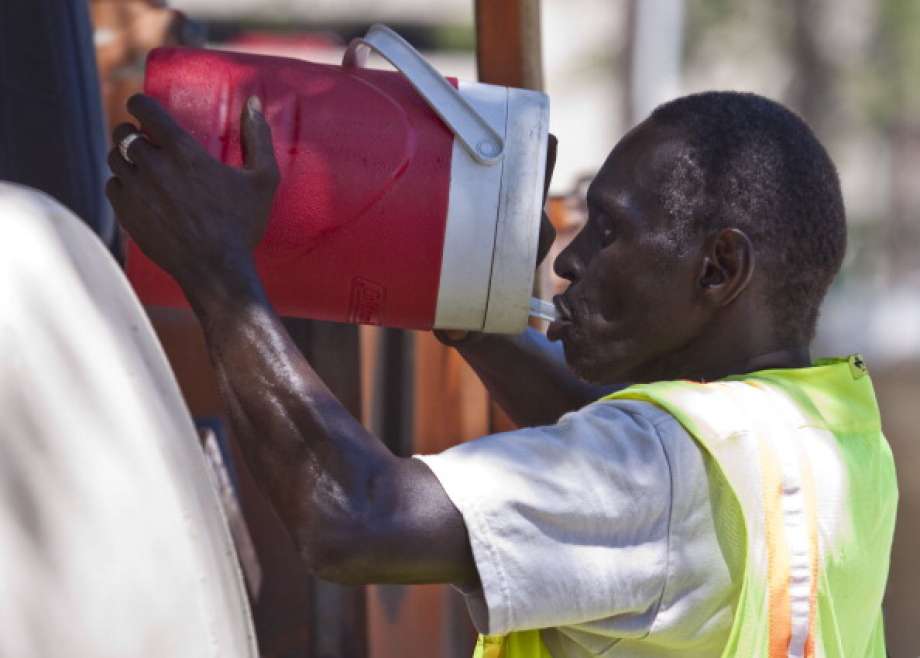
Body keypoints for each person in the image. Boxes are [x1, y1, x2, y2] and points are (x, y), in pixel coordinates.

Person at [106, 90, 897, 658]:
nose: (571, 259)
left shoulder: (658, 473)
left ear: (719, 268)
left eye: (610, 231)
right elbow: (605, 448)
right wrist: (468, 301)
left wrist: (218, 273)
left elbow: (353, 516)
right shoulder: (828, 439)